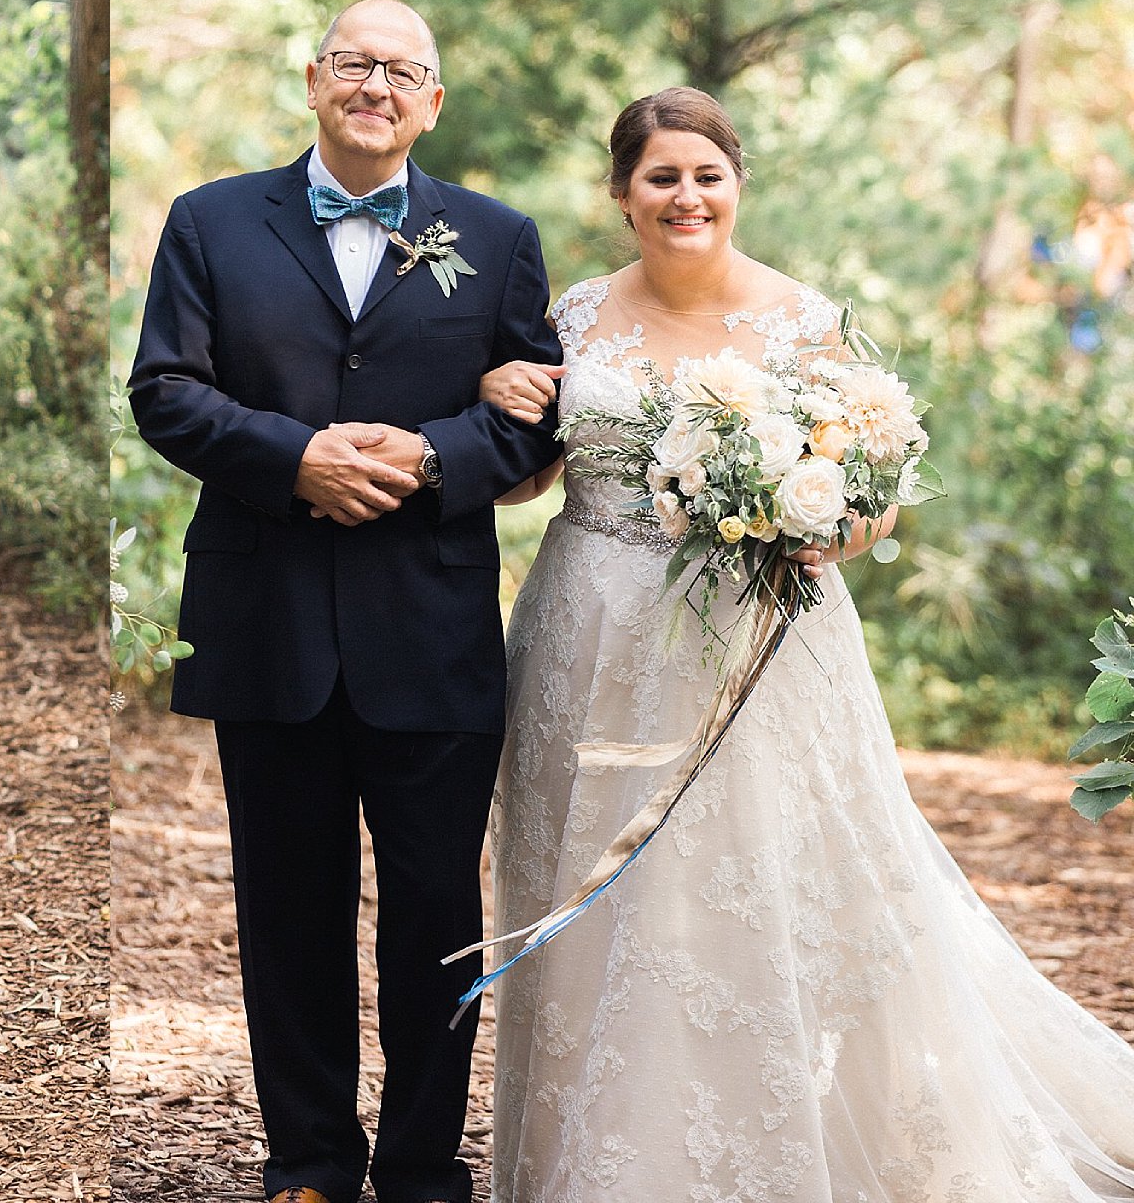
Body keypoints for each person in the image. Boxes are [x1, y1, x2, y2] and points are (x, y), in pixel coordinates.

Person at [480, 86, 1134, 1200]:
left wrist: (823, 523)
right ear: (620, 193)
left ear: (735, 186)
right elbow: (537, 475)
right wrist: (496, 393)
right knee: (588, 883)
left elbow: (876, 491)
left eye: (704, 175)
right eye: (659, 177)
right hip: (584, 637)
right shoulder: (572, 314)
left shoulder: (803, 320)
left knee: (757, 881)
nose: (684, 197)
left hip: (757, 639)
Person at [129, 0, 563, 1203]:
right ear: (314, 80)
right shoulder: (211, 222)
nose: (375, 85)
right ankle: (309, 1161)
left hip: (429, 627)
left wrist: (432, 462)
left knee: (434, 916)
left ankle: (423, 1168)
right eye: (353, 63)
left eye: (401, 70)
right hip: (265, 618)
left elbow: (533, 418)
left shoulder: (495, 235)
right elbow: (162, 389)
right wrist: (293, 459)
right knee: (287, 913)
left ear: (431, 103)